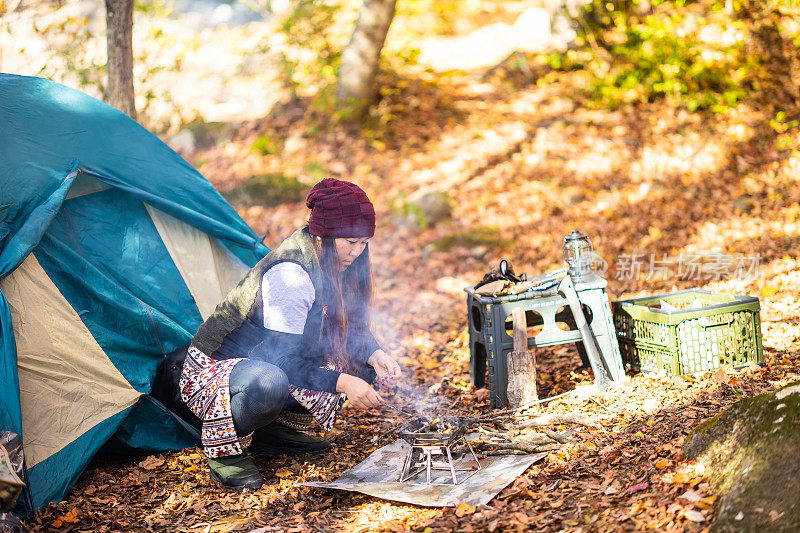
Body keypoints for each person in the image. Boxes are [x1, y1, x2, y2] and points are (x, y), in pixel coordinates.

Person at [178, 178, 402, 491]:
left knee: (362, 366)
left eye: (364, 242)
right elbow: (282, 361)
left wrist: (375, 352)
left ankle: (272, 431)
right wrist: (343, 381)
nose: (357, 251)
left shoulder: (336, 260)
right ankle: (224, 455)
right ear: (324, 234)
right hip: (218, 374)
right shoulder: (291, 275)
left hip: (273, 362)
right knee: (270, 382)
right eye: (351, 242)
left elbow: (347, 326)